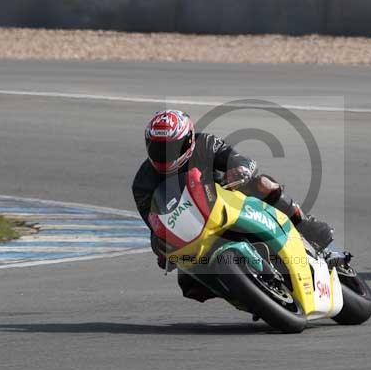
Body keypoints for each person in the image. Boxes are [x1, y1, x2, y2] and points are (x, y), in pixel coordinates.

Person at [132, 109, 334, 301]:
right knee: (189, 284)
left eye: (172, 148)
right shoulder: (143, 183)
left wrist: (240, 169)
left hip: (227, 198)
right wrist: (161, 245)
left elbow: (238, 159)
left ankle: (304, 224)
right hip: (192, 229)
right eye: (158, 148)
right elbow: (154, 223)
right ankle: (243, 292)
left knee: (264, 184)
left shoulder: (205, 143)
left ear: (189, 140)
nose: (166, 155)